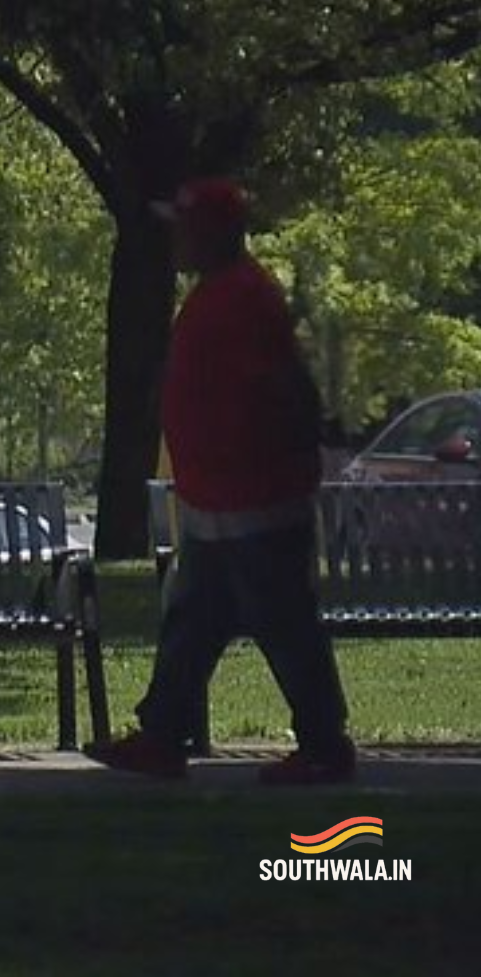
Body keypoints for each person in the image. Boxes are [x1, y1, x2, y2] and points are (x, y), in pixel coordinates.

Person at [86, 176, 357, 785]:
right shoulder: (221, 293)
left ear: (211, 231)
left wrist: (283, 462)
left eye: (183, 228)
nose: (175, 241)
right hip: (218, 502)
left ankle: (324, 745)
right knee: (193, 620)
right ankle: (162, 736)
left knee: (283, 623)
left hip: (253, 501)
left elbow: (283, 390)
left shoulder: (242, 298)